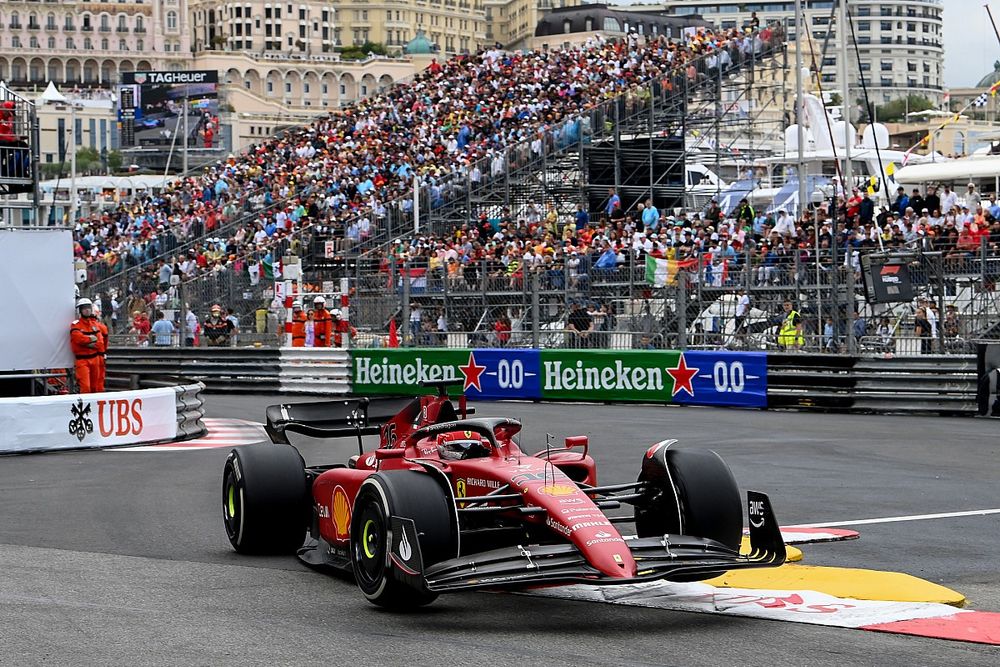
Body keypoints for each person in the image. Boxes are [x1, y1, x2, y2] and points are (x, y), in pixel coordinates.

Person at [70, 298, 107, 393]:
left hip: (95, 359)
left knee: (95, 387)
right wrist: (91, 339)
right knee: (86, 387)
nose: (87, 310)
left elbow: (100, 343)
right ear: (80, 310)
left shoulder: (95, 325)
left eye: (88, 308)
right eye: (84, 308)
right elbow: (78, 339)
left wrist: (86, 342)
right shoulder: (75, 325)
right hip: (82, 360)